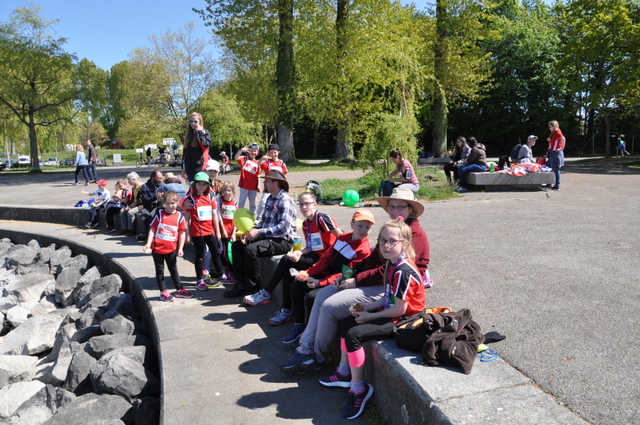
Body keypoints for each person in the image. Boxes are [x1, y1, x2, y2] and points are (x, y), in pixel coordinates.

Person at [279, 187, 430, 374]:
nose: (394, 211)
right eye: (392, 206)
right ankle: (305, 346)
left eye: (400, 207)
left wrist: (356, 281)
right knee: (321, 296)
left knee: (329, 306)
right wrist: (347, 276)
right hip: (371, 282)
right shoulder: (394, 228)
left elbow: (389, 271)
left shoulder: (413, 234)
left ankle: (317, 355)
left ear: (410, 209)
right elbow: (369, 261)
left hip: (387, 289)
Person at [321, 218, 425, 420]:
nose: (386, 245)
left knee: (354, 334)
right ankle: (343, 371)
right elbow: (388, 295)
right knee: (346, 320)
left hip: (404, 321)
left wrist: (371, 315)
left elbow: (399, 309)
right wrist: (369, 306)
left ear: (405, 244)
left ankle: (358, 389)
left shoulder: (404, 271)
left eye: (392, 241)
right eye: (382, 240)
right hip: (393, 312)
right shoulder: (391, 262)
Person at [242, 191, 343, 327]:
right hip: (316, 256)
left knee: (285, 260)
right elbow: (311, 248)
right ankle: (286, 310)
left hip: (326, 259)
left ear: (315, 204)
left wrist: (333, 258)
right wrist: (299, 252)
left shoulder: (321, 218)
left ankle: (266, 293)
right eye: (301, 204)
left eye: (307, 204)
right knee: (289, 269)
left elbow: (342, 237)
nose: (304, 207)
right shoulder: (306, 224)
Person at [281, 209, 373, 346]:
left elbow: (345, 275)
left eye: (368, 227)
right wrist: (309, 273)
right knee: (297, 285)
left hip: (339, 284)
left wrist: (320, 282)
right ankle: (299, 325)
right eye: (360, 226)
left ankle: (311, 333)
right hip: (326, 276)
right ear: (352, 224)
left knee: (312, 297)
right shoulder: (343, 237)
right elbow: (326, 258)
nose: (363, 230)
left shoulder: (364, 250)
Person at [224, 170, 297, 298]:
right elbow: (263, 222)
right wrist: (249, 232)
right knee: (237, 246)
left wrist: (258, 232)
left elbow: (283, 229)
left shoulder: (285, 200)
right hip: (268, 237)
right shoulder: (270, 198)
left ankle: (254, 289)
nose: (264, 183)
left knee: (251, 250)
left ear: (276, 183)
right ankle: (242, 284)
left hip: (282, 241)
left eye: (267, 180)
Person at [143, 190, 191, 302]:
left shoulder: (179, 216)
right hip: (157, 249)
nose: (170, 206)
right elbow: (152, 228)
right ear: (164, 203)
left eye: (173, 203)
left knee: (173, 269)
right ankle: (163, 291)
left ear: (177, 202)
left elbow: (182, 233)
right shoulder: (159, 214)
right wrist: (148, 243)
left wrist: (180, 248)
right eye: (168, 203)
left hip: (171, 249)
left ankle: (179, 289)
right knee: (160, 270)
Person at [181, 172, 226, 291]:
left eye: (204, 184)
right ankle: (199, 279)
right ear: (194, 185)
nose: (201, 187)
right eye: (199, 184)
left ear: (207, 186)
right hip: (198, 233)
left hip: (210, 231)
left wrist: (218, 232)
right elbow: (186, 218)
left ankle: (221, 274)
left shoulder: (211, 198)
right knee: (199, 256)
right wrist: (187, 234)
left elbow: (215, 216)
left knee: (216, 253)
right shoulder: (190, 199)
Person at [255, 143, 288, 219]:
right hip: (269, 185)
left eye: (275, 152)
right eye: (271, 153)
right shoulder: (267, 162)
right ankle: (259, 217)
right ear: (268, 153)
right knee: (263, 202)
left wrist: (284, 184)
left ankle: (278, 216)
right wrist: (262, 158)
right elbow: (258, 164)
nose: (273, 154)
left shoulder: (281, 163)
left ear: (278, 152)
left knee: (279, 202)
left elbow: (284, 174)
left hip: (278, 186)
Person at [136, 169, 167, 241]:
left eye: (161, 178)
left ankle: (147, 234)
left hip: (158, 206)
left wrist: (163, 196)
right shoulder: (145, 186)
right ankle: (147, 233)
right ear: (153, 177)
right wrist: (155, 197)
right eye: (158, 178)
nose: (160, 180)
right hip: (148, 206)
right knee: (143, 217)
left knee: (151, 216)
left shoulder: (163, 185)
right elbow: (144, 200)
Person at [218, 180, 239, 282]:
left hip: (231, 231)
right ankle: (224, 269)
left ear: (233, 192)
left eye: (229, 190)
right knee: (223, 251)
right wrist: (222, 229)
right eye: (225, 190)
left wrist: (234, 232)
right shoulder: (220, 202)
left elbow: (236, 218)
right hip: (223, 230)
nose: (227, 192)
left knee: (230, 252)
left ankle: (231, 271)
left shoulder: (234, 203)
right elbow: (219, 217)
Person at [182, 112, 211, 182]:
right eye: (191, 121)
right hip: (189, 168)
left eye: (195, 121)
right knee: (192, 186)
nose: (193, 123)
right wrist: (183, 168)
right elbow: (185, 154)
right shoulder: (189, 135)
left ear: (200, 121)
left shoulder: (204, 132)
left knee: (200, 186)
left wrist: (200, 132)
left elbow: (206, 144)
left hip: (200, 167)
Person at [234, 143, 261, 214]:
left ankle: (251, 215)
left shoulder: (258, 163)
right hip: (244, 185)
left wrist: (258, 185)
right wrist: (241, 150)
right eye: (252, 150)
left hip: (253, 186)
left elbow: (258, 175)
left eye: (255, 151)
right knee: (241, 201)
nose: (253, 152)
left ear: (257, 152)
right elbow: (236, 158)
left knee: (252, 203)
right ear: (248, 151)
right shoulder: (244, 159)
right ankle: (239, 215)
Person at [121, 172, 143, 236]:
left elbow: (140, 200)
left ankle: (132, 230)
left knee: (130, 212)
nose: (128, 182)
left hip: (141, 205)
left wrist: (131, 207)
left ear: (134, 180)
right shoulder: (133, 188)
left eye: (129, 180)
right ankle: (125, 228)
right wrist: (128, 205)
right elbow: (133, 199)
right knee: (122, 211)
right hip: (135, 204)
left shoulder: (142, 187)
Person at [546, 120, 565, 190]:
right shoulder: (553, 133)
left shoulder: (557, 131)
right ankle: (549, 183)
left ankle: (557, 185)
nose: (549, 128)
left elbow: (563, 138)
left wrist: (562, 147)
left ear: (554, 126)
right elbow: (554, 142)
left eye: (550, 127)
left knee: (556, 169)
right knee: (548, 167)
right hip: (552, 152)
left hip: (556, 153)